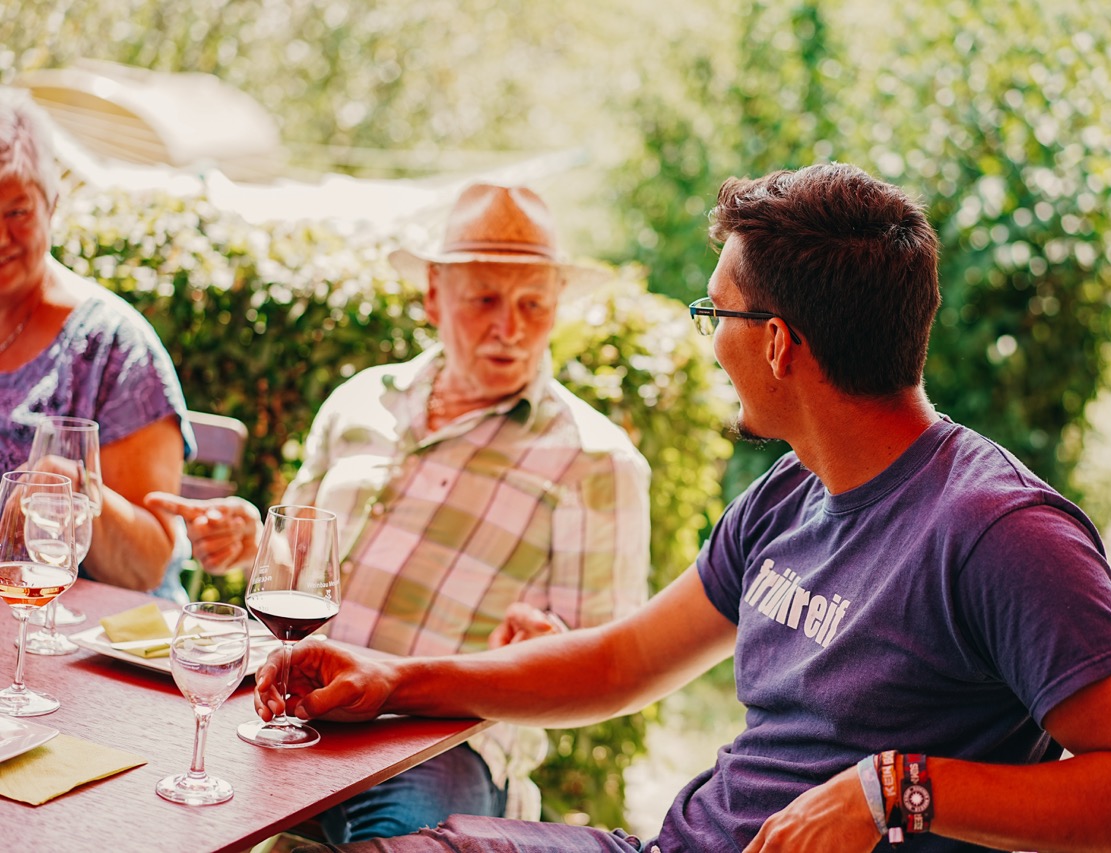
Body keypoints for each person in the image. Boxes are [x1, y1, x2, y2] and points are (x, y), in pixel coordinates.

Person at [257, 163, 1111, 853]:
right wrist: (396, 675)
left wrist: (895, 790)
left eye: (713, 313)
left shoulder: (996, 531)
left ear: (775, 343)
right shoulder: (789, 492)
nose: (705, 338)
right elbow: (620, 660)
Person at [146, 182, 651, 841]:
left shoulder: (597, 461)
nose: (511, 327)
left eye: (533, 303)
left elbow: (598, 667)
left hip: (436, 745)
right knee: (157, 804)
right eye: (486, 300)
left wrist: (549, 641)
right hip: (291, 705)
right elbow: (295, 569)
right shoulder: (359, 401)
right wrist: (250, 541)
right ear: (433, 296)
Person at [0, 86, 193, 599]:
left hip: (83, 647)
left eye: (16, 212)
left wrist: (78, 493)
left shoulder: (114, 346)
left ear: (52, 204)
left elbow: (149, 563)